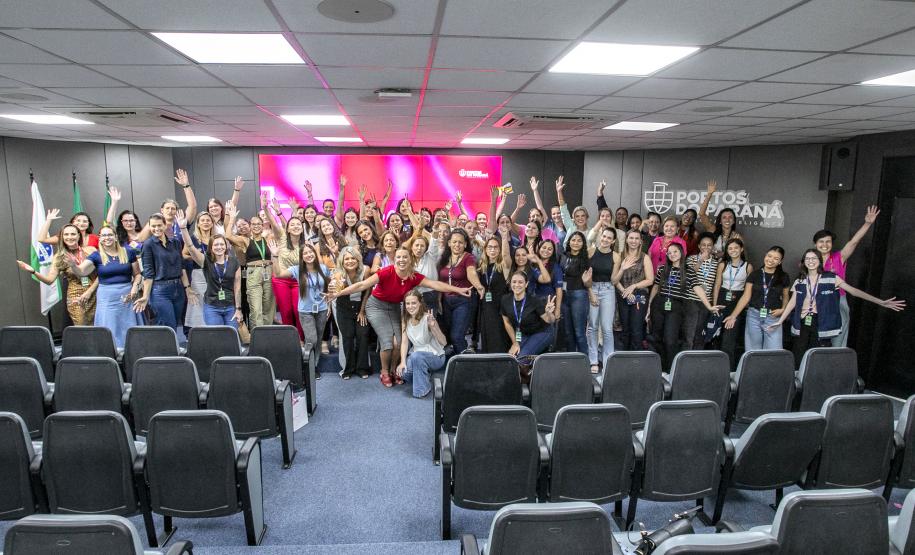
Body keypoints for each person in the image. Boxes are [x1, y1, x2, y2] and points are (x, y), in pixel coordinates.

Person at [328, 246, 471, 388]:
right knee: (387, 342)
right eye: (398, 257)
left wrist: (459, 289)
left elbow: (435, 284)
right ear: (394, 260)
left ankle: (394, 370)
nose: (401, 260)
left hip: (395, 307)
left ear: (410, 260)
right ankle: (384, 372)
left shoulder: (413, 276)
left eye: (405, 257)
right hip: (376, 306)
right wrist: (338, 293)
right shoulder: (386, 272)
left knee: (398, 342)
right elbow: (362, 285)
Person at [770, 249, 905, 366]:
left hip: (821, 323)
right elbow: (793, 302)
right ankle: (797, 386)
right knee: (799, 355)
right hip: (803, 323)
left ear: (820, 260)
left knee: (817, 356)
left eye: (814, 258)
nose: (811, 261)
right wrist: (780, 321)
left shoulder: (831, 278)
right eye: (807, 259)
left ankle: (815, 384)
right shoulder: (800, 280)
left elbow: (853, 291)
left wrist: (881, 302)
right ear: (804, 262)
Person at [646, 243, 722, 370]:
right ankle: (656, 367)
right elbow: (655, 287)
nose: (672, 255)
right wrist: (649, 306)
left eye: (675, 251)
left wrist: (709, 306)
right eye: (669, 253)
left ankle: (670, 369)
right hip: (659, 304)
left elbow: (698, 288)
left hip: (676, 307)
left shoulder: (689, 270)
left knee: (670, 339)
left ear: (681, 252)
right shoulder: (663, 268)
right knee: (656, 337)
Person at [813, 205, 880, 347]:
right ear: (815, 244)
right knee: (816, 340)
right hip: (817, 302)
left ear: (831, 244)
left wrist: (867, 223)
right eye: (821, 241)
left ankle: (835, 367)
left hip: (838, 301)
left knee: (838, 341)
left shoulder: (839, 257)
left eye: (828, 241)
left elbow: (854, 241)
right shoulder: (810, 260)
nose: (824, 245)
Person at [67, 225, 143, 348]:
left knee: (129, 326)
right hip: (106, 297)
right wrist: (73, 265)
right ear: (100, 238)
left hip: (128, 294)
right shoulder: (96, 256)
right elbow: (82, 272)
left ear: (116, 237)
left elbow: (138, 274)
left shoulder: (128, 252)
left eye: (110, 235)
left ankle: (132, 352)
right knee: (109, 326)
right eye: (103, 235)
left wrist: (134, 288)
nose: (107, 238)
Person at [17, 223, 98, 326]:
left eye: (73, 234)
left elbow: (102, 273)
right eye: (66, 234)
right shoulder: (59, 257)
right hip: (76, 296)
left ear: (78, 235)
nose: (69, 237)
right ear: (62, 237)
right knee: (82, 326)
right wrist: (33, 271)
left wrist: (90, 291)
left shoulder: (91, 250)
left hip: (96, 293)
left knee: (99, 326)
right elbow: (49, 280)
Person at [134, 213, 195, 332]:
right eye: (153, 226)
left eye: (159, 225)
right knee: (168, 326)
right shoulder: (148, 245)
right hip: (160, 291)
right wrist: (146, 296)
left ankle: (173, 347)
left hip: (178, 289)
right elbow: (148, 274)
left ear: (165, 225)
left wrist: (187, 288)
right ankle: (169, 350)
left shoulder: (176, 242)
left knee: (175, 323)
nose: (156, 229)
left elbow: (181, 267)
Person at [723, 246, 791, 352]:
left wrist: (783, 309)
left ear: (780, 261)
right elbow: (746, 297)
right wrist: (733, 316)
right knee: (753, 351)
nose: (771, 260)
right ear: (765, 256)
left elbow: (786, 297)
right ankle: (754, 369)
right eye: (769, 256)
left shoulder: (784, 277)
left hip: (773, 317)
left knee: (773, 352)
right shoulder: (755, 274)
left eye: (776, 258)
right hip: (753, 316)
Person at [179, 217, 242, 329]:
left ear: (226, 246)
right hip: (212, 307)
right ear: (211, 248)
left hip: (230, 307)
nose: (219, 247)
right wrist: (183, 228)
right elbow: (191, 247)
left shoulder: (234, 262)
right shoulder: (206, 261)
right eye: (216, 245)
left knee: (232, 336)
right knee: (217, 336)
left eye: (221, 244)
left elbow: (237, 287)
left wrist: (238, 309)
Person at [269, 241, 329, 349]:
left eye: (311, 252)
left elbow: (328, 288)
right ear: (301, 257)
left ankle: (315, 363)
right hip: (305, 310)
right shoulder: (297, 270)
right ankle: (308, 362)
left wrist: (328, 305)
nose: (309, 255)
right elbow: (278, 274)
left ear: (315, 254)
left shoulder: (323, 268)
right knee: (312, 339)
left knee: (319, 339)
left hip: (322, 309)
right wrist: (275, 255)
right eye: (305, 253)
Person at [224, 201, 275, 329]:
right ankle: (258, 338)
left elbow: (275, 226)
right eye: (253, 224)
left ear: (263, 225)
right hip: (254, 273)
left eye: (259, 224)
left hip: (269, 271)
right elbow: (228, 235)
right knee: (256, 308)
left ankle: (268, 335)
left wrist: (266, 209)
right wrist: (232, 218)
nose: (256, 226)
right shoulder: (245, 240)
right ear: (250, 226)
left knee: (268, 307)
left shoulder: (268, 237)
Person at [438, 229, 483, 354]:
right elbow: (439, 281)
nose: (457, 245)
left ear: (465, 244)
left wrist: (478, 286)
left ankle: (465, 365)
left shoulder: (469, 257)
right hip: (446, 301)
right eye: (454, 242)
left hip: (463, 301)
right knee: (448, 336)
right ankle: (455, 363)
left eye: (460, 242)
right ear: (449, 243)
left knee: (457, 336)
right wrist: (439, 300)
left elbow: (471, 273)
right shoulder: (444, 258)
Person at [395, 291, 447, 398]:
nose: (410, 306)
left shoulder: (428, 318)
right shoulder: (405, 319)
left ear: (420, 303)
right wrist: (402, 362)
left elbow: (444, 342)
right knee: (403, 373)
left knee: (416, 356)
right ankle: (425, 374)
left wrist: (433, 327)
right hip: (416, 355)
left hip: (436, 356)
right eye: (407, 303)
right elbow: (404, 342)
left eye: (413, 303)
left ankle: (422, 390)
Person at [330, 246, 371, 379]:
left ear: (358, 259)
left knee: (362, 334)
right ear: (342, 261)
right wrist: (332, 288)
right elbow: (334, 291)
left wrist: (362, 310)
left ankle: (362, 368)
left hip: (361, 308)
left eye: (353, 258)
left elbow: (368, 291)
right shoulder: (338, 274)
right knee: (347, 337)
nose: (350, 261)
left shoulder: (365, 270)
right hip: (344, 308)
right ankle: (348, 369)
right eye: (346, 258)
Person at [712, 238, 752, 369]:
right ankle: (715, 367)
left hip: (736, 302)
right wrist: (714, 305)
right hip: (722, 299)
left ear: (741, 249)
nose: (733, 250)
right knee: (716, 335)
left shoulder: (748, 266)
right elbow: (717, 284)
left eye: (736, 248)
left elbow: (747, 291)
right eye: (730, 248)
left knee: (729, 339)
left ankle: (728, 370)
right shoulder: (723, 264)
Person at [612, 230, 654, 351]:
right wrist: (625, 291)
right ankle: (626, 359)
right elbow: (614, 280)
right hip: (622, 295)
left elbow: (650, 280)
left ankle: (637, 361)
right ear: (626, 239)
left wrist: (634, 286)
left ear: (641, 241)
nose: (633, 241)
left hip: (639, 295)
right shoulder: (619, 256)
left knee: (636, 329)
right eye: (631, 238)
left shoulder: (644, 257)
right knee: (625, 329)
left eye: (636, 238)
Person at [501, 271, 558, 357]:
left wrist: (549, 313)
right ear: (510, 283)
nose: (517, 285)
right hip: (523, 334)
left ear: (526, 284)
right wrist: (515, 343)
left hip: (542, 332)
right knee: (512, 358)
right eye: (514, 282)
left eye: (520, 282)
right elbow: (507, 322)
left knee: (522, 358)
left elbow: (550, 320)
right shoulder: (505, 300)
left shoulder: (534, 300)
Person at [269, 217, 306, 339]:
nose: (296, 226)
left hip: (298, 280)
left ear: (302, 228)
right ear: (288, 229)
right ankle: (289, 339)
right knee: (286, 312)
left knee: (298, 310)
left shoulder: (306, 244)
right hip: (280, 280)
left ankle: (300, 339)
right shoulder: (282, 239)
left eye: (298, 224)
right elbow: (274, 224)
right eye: (292, 225)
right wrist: (265, 208)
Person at [587, 227, 618, 373]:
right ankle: (593, 360)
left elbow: (613, 280)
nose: (605, 239)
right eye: (604, 236)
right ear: (600, 236)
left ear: (613, 241)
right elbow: (586, 276)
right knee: (592, 326)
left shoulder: (616, 257)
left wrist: (622, 268)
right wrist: (590, 292)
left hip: (608, 290)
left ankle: (608, 360)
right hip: (592, 288)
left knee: (606, 327)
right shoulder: (591, 251)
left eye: (609, 238)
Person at [683, 232, 718, 349]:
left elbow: (715, 284)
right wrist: (700, 261)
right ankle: (685, 357)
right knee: (689, 331)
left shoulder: (716, 263)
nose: (706, 248)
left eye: (709, 245)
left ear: (713, 247)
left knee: (700, 331)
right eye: (703, 245)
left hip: (706, 301)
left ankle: (696, 358)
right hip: (691, 300)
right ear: (699, 246)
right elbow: (689, 275)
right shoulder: (691, 259)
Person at [477, 236, 512, 353]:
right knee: (487, 337)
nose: (493, 250)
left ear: (500, 249)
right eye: (490, 247)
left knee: (499, 338)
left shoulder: (503, 265)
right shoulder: (481, 266)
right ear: (485, 249)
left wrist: (504, 237)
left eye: (496, 247)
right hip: (486, 307)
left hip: (500, 307)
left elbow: (506, 256)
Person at [560, 231, 592, 356]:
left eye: (579, 240)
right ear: (569, 242)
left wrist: (587, 281)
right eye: (573, 240)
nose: (576, 243)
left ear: (583, 243)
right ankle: (571, 361)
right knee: (568, 332)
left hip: (579, 295)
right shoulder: (562, 256)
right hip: (564, 296)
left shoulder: (585, 258)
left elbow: (589, 283)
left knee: (579, 332)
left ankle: (584, 362)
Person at [182, 211, 214, 329]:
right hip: (198, 274)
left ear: (212, 223)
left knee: (213, 301)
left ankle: (213, 326)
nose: (205, 222)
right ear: (198, 224)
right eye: (203, 221)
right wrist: (196, 257)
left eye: (208, 220)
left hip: (214, 274)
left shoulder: (215, 238)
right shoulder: (192, 239)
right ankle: (199, 330)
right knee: (199, 303)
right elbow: (184, 255)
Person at [697, 180, 743, 259]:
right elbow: (701, 214)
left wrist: (725, 254)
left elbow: (740, 257)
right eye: (724, 217)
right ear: (720, 221)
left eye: (730, 217)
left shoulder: (736, 237)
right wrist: (709, 194)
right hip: (709, 267)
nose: (727, 220)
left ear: (734, 221)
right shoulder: (713, 229)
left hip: (725, 268)